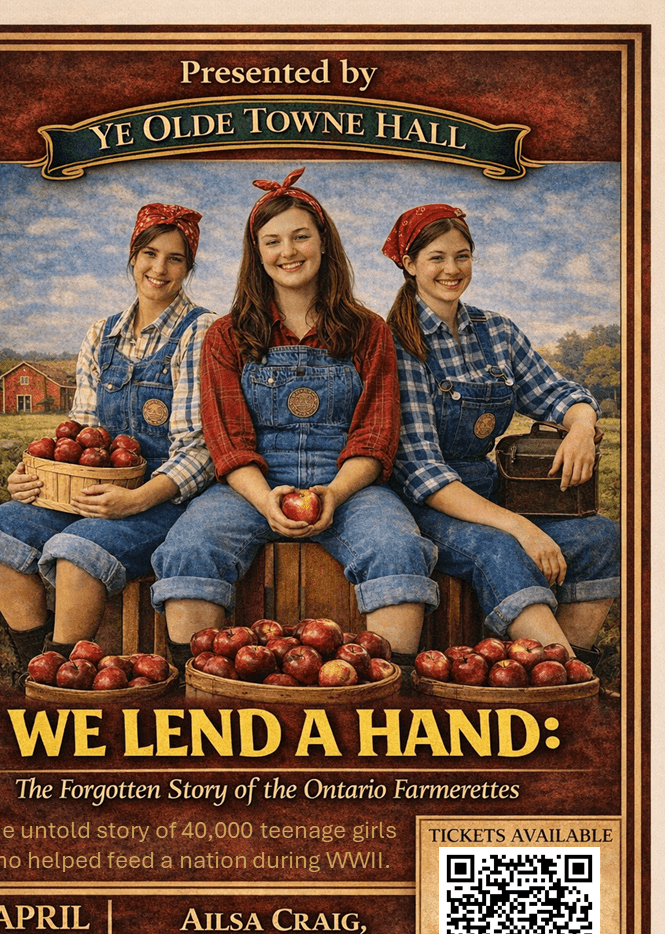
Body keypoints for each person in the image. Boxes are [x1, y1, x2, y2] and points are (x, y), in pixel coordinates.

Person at [150, 169, 436, 671]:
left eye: (301, 236)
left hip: (347, 479)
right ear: (256, 253)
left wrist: (335, 493)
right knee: (190, 546)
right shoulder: (227, 334)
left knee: (399, 547)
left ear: (324, 243)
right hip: (251, 480)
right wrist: (265, 499)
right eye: (273, 241)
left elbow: (375, 434)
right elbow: (227, 438)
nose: (289, 251)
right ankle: (195, 684)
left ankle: (396, 686)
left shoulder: (369, 331)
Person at [0, 202, 215, 675]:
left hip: (163, 493)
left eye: (175, 258)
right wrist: (35, 473)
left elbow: (199, 450)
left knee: (76, 553)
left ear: (189, 267)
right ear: (132, 257)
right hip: (95, 487)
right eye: (148, 253)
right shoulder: (102, 333)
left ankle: (65, 674)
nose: (158, 268)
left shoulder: (199, 330)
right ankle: (33, 668)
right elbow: (79, 432)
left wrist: (136, 499)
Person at [382, 203, 620, 663]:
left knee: (599, 536)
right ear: (409, 265)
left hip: (490, 488)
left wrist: (581, 427)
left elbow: (556, 392)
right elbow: (423, 471)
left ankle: (573, 663)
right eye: (436, 257)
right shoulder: (395, 341)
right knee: (500, 545)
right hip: (423, 502)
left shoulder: (498, 332)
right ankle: (560, 672)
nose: (451, 269)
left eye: (462, 256)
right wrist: (520, 526)